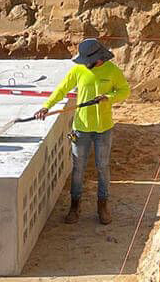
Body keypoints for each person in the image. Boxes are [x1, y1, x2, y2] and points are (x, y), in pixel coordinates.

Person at [36, 38, 130, 225]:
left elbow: (124, 91)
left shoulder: (112, 71)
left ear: (97, 59)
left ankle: (102, 206)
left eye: (86, 60)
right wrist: (46, 106)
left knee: (102, 167)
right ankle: (75, 206)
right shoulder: (78, 70)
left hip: (104, 129)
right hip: (81, 129)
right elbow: (62, 89)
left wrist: (108, 98)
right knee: (78, 169)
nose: (84, 63)